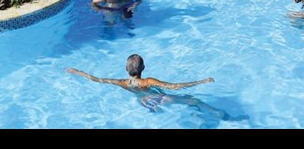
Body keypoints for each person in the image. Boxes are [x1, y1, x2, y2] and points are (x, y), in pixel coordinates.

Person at [66, 54, 213, 94]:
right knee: (192, 101)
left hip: (143, 102)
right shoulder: (147, 82)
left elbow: (97, 79)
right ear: (144, 68)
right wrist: (201, 81)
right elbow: (173, 86)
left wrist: (77, 72)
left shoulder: (121, 82)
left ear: (126, 68)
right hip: (157, 98)